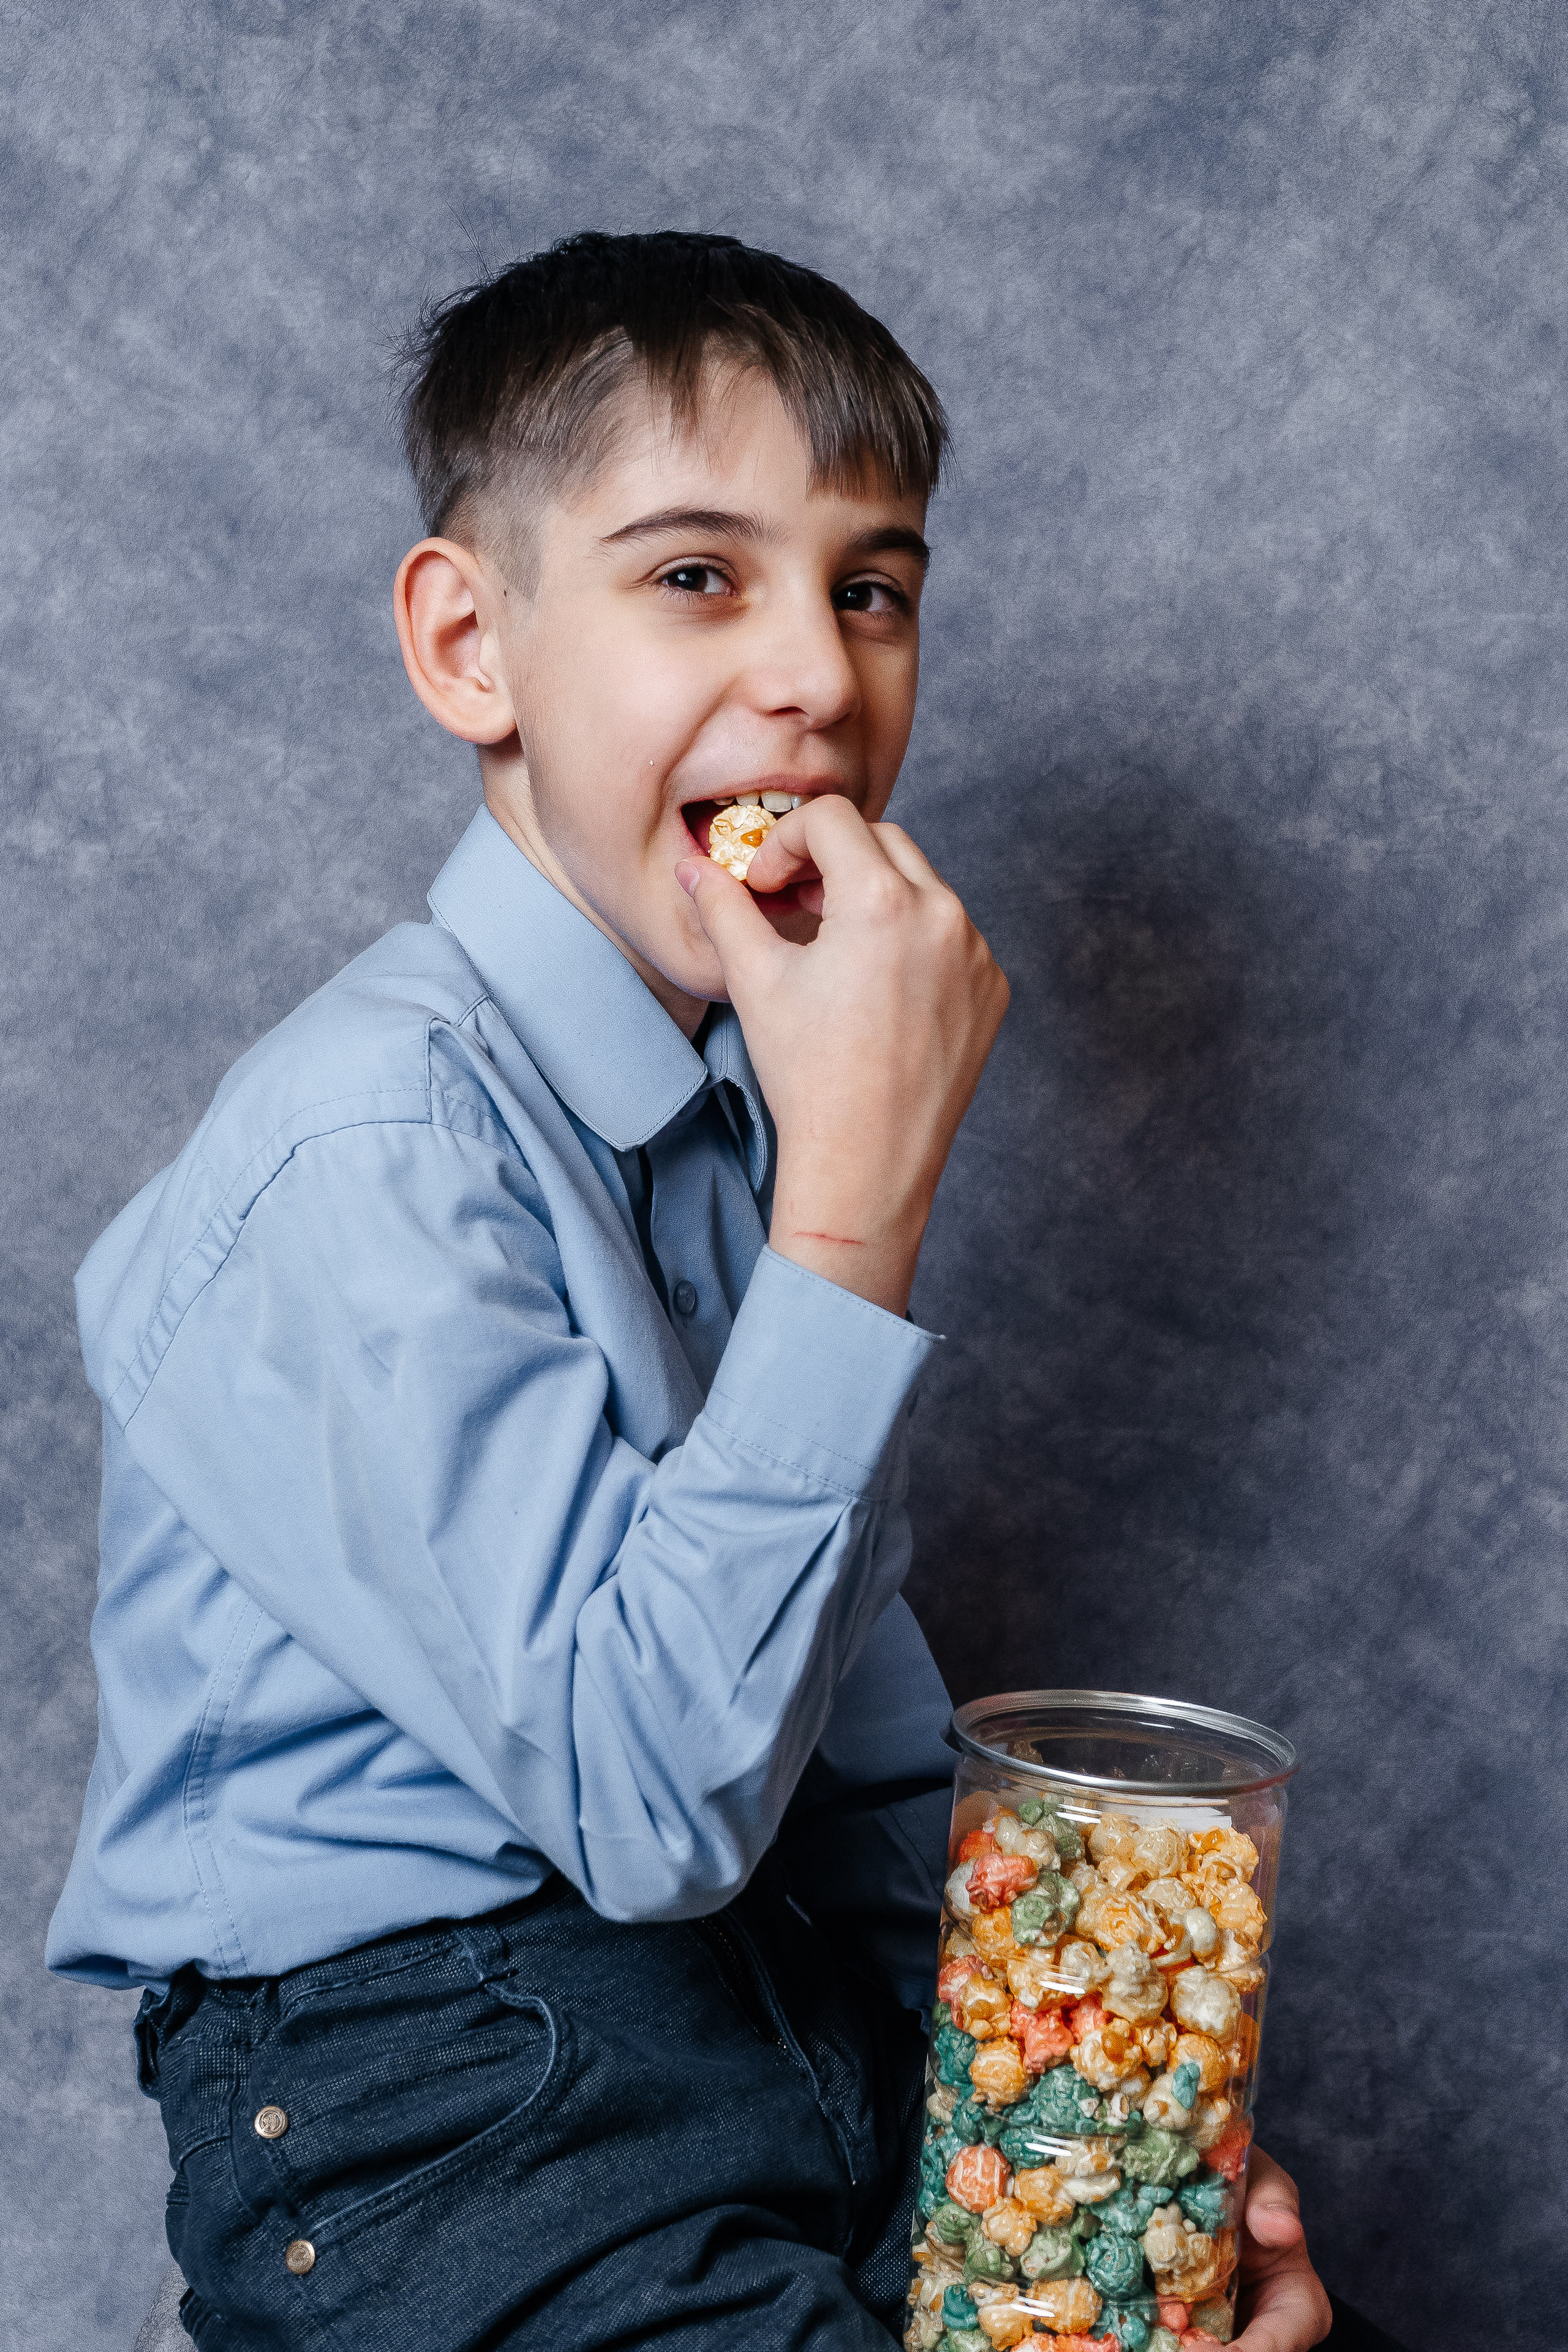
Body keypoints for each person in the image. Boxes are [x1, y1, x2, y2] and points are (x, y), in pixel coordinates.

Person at [49, 232, 1329, 2351]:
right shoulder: (373, 1143)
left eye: (873, 587)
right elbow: (651, 1800)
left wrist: (1112, 2127)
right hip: (438, 2102)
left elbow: (859, 1745)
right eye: (696, 578)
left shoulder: (733, 1116)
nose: (822, 677)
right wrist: (861, 1203)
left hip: (770, 2019)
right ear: (474, 647)